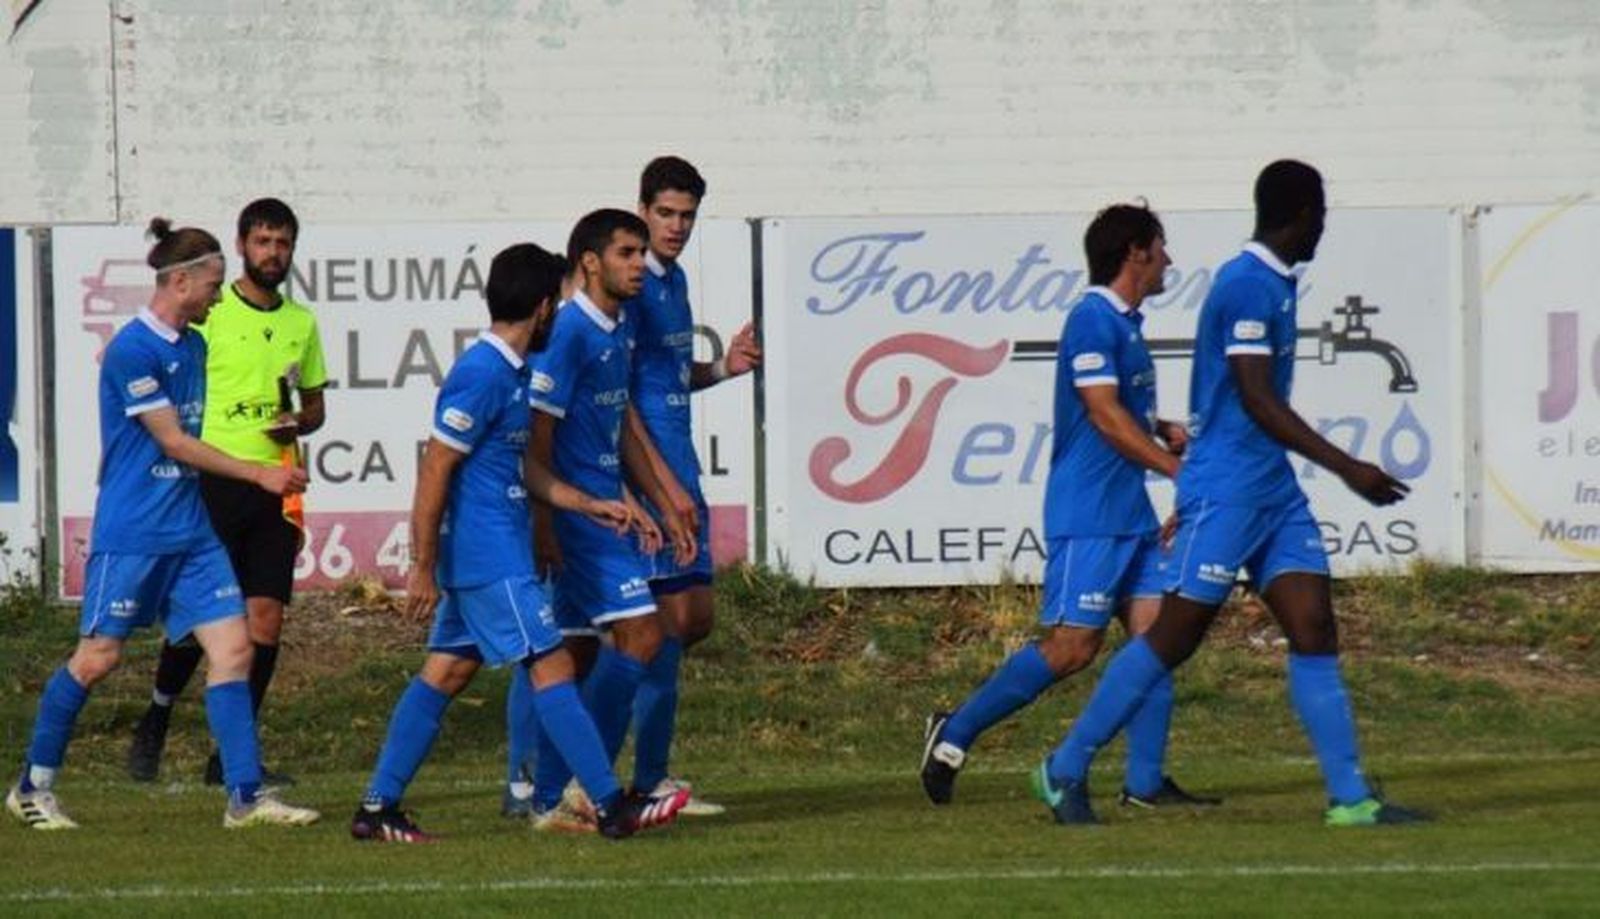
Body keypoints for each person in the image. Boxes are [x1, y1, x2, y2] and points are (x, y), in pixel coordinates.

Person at [1033, 161, 1429, 827]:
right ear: (1303, 212)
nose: (1324, 227)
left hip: (1269, 486)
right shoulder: (1246, 285)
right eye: (1322, 214)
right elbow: (1254, 395)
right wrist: (1344, 465)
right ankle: (1064, 765)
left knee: (1313, 625)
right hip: (1226, 487)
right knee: (1176, 634)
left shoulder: (1274, 282)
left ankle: (1350, 797)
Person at [350, 243, 690, 843]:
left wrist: (588, 502)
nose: (558, 315)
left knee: (446, 672)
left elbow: (522, 469)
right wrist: (423, 566)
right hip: (490, 558)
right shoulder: (481, 372)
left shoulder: (511, 371)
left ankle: (377, 807)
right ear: (541, 308)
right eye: (555, 304)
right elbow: (435, 468)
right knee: (552, 664)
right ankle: (611, 805)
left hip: (490, 554)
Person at [7, 218, 319, 830]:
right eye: (211, 284)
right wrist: (258, 475)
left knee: (233, 650)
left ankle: (244, 797)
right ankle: (31, 788)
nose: (216, 295)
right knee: (97, 657)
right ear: (179, 282)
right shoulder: (132, 350)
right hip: (135, 532)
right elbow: (174, 441)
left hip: (192, 532)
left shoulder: (196, 347)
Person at [921, 203, 1217, 812]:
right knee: (1071, 649)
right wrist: (1175, 470)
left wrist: (1160, 428)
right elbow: (1103, 416)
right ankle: (954, 732)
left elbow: (1118, 411)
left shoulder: (1126, 326)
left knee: (1159, 640)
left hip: (1128, 514)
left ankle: (1144, 781)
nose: (1169, 260)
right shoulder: (1092, 321)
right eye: (1162, 246)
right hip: (1088, 517)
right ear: (1135, 251)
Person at [502, 157, 760, 817]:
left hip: (658, 476)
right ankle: (556, 779)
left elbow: (651, 385)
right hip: (617, 490)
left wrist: (723, 369)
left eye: (686, 216)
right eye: (661, 217)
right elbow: (598, 416)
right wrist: (557, 512)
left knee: (662, 626)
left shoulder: (662, 288)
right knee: (585, 639)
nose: (671, 232)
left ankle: (613, 776)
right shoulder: (603, 314)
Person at [128, 197, 327, 787]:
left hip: (276, 484)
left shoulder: (301, 324)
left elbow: (314, 408)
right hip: (212, 481)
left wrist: (297, 422)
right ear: (242, 246)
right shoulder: (209, 314)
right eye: (262, 241)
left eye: (283, 243)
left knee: (265, 621)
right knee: (200, 616)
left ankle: (229, 757)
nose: (273, 253)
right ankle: (157, 717)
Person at [522, 209, 695, 829]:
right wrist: (546, 524)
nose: (639, 265)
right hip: (579, 516)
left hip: (609, 510)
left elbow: (620, 430)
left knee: (571, 656)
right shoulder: (569, 333)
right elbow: (536, 441)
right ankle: (583, 784)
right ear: (591, 262)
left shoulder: (619, 328)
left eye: (640, 253)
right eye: (626, 252)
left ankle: (549, 795)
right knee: (644, 635)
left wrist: (661, 503)